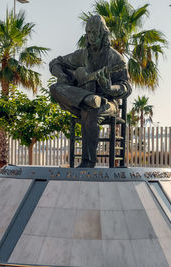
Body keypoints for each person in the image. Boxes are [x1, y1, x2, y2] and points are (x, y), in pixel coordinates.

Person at [49, 15, 130, 168]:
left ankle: (88, 162)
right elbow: (55, 62)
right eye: (88, 32)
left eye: (95, 33)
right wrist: (63, 75)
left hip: (108, 103)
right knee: (55, 88)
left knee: (91, 111)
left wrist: (110, 89)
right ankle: (87, 98)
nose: (91, 37)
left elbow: (126, 87)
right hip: (82, 101)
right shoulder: (82, 55)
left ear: (103, 33)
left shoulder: (115, 59)